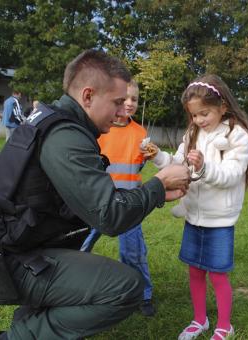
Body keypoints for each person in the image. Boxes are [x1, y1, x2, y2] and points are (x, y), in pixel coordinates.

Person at [0, 49, 190, 340]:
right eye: (116, 102)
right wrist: (158, 185)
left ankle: (29, 323)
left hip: (0, 247)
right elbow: (109, 216)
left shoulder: (54, 121)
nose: (123, 110)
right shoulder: (65, 136)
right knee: (125, 287)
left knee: (79, 266)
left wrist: (157, 192)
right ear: (88, 96)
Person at [145, 74, 248, 340]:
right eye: (194, 115)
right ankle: (199, 320)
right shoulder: (193, 133)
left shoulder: (237, 135)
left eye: (204, 113)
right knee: (195, 270)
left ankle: (224, 326)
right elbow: (178, 162)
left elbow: (231, 175)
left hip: (220, 219)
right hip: (194, 215)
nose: (199, 120)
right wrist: (158, 155)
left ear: (223, 107)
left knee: (218, 275)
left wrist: (204, 166)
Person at [80, 80, 157, 317]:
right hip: (98, 201)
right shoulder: (100, 129)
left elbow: (139, 163)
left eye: (134, 99)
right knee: (80, 246)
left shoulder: (140, 132)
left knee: (133, 252)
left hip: (129, 204)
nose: (129, 103)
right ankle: (71, 287)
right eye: (124, 99)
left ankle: (143, 295)